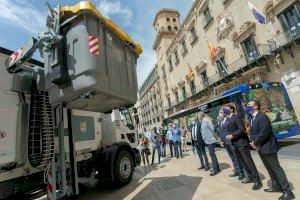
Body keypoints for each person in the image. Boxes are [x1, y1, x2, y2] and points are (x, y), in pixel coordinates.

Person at [246, 100, 295, 200]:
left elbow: (264, 133)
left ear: (255, 107)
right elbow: (253, 133)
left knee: (276, 169)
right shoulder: (252, 118)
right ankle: (276, 186)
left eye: (249, 105)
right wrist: (253, 142)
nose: (246, 106)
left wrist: (255, 143)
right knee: (269, 168)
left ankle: (288, 192)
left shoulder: (262, 117)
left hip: (268, 147)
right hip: (260, 147)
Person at [225, 104, 262, 190]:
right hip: (235, 144)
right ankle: (250, 177)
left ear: (231, 109)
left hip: (242, 143)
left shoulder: (236, 117)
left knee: (248, 162)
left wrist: (232, 135)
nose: (224, 110)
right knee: (242, 162)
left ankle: (257, 181)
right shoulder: (228, 119)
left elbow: (242, 129)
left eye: (226, 108)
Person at [219, 106, 245, 180]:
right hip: (225, 141)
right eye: (221, 110)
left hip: (231, 141)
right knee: (232, 157)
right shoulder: (221, 120)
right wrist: (221, 140)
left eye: (223, 109)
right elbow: (221, 131)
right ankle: (236, 170)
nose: (222, 111)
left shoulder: (230, 118)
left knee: (237, 157)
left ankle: (241, 173)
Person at [198, 112, 220, 176]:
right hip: (207, 140)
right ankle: (217, 168)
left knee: (212, 154)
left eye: (198, 115)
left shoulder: (207, 120)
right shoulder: (202, 121)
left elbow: (212, 129)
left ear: (201, 115)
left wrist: (215, 138)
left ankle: (215, 170)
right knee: (212, 154)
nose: (198, 116)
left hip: (210, 140)